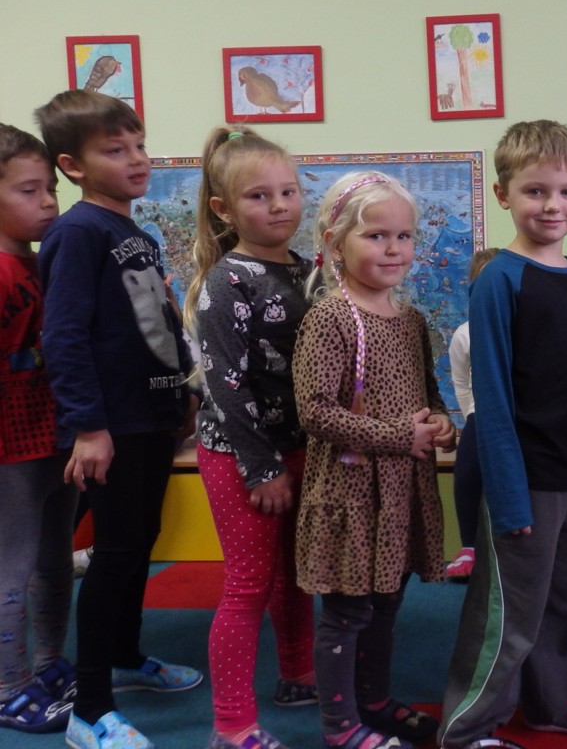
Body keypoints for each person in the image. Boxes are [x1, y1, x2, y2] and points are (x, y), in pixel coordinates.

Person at [438, 121, 567, 749]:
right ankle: (467, 730)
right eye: (535, 191)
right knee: (508, 613)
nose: (552, 205)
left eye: (566, 191)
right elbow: (491, 400)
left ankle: (551, 703)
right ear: (503, 194)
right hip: (530, 482)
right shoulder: (500, 280)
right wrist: (510, 498)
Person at [35, 90, 201, 749]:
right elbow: (64, 334)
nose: (136, 159)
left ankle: (127, 657)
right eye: (115, 149)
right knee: (115, 554)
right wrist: (87, 427)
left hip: (150, 416)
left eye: (138, 145)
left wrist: (181, 395)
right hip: (113, 425)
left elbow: (155, 325)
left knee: (138, 543)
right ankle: (90, 708)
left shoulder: (133, 234)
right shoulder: (78, 232)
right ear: (73, 166)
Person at [293, 170, 456, 749]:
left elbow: (428, 394)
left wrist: (441, 421)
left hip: (402, 491)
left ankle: (375, 701)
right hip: (351, 495)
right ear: (336, 242)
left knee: (387, 602)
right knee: (348, 613)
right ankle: (340, 727)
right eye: (376, 235)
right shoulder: (330, 318)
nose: (394, 249)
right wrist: (397, 436)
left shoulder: (411, 321)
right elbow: (314, 411)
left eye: (404, 236)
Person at [185, 126, 318, 749]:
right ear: (224, 209)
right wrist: (262, 468)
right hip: (242, 454)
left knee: (295, 575)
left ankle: (299, 674)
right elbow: (227, 386)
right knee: (248, 585)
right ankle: (232, 724)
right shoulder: (227, 282)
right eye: (259, 196)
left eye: (288, 191)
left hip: (301, 445)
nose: (279, 206)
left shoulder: (307, 272)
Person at [0, 124, 77, 735]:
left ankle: (48, 665)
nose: (48, 202)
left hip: (59, 436)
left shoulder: (45, 261)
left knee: (55, 560)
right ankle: (7, 686)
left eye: (50, 187)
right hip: (10, 449)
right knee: (13, 569)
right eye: (29, 191)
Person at [442, 246, 500, 582]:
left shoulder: (525, 326)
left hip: (520, 416)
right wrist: (472, 417)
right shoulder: (465, 334)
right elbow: (462, 384)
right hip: (482, 415)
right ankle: (469, 547)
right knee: (467, 471)